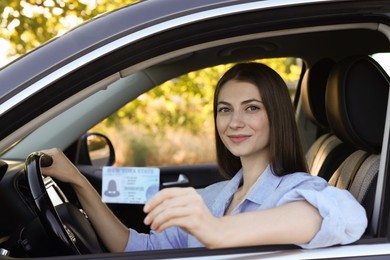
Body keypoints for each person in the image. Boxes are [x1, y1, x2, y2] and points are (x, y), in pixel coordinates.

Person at [41, 63, 367, 252]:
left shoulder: (296, 189)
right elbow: (135, 249)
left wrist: (216, 231)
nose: (234, 122)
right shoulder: (211, 197)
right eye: (224, 110)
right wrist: (79, 182)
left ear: (277, 116)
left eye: (251, 108)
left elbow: (344, 216)